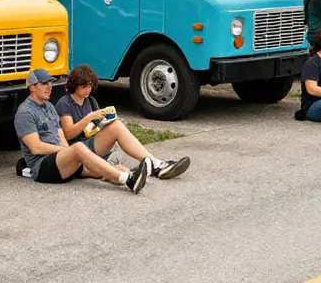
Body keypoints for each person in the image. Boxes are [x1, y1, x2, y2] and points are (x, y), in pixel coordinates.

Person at [13, 68, 149, 193]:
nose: (49, 87)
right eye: (44, 83)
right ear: (32, 87)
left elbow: (61, 136)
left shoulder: (49, 106)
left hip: (61, 160)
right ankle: (129, 180)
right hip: (43, 167)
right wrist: (66, 151)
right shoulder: (25, 112)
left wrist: (67, 151)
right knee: (78, 148)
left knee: (112, 168)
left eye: (50, 82)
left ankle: (132, 175)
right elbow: (36, 148)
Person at [55, 65, 190, 179]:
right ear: (75, 85)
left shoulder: (90, 101)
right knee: (116, 130)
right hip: (77, 150)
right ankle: (151, 165)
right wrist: (89, 117)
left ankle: (150, 164)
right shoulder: (65, 103)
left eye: (90, 86)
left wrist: (107, 120)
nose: (88, 89)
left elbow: (97, 127)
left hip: (91, 142)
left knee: (116, 125)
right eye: (84, 86)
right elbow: (68, 134)